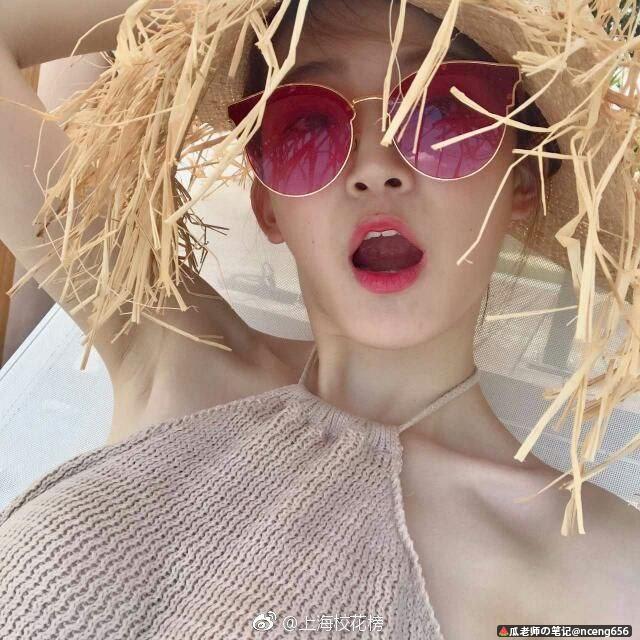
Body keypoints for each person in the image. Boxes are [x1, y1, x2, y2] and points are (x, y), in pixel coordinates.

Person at [0, 0, 638, 638]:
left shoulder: (593, 571)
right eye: (306, 124)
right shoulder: (167, 347)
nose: (376, 169)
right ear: (268, 205)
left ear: (523, 181)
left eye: (441, 113)